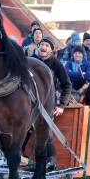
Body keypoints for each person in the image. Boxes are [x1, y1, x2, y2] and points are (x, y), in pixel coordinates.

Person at [32, 35, 72, 169]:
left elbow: (67, 84)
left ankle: (51, 161)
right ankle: (23, 159)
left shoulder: (55, 63)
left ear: (51, 50)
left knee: (45, 131)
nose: (43, 47)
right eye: (42, 44)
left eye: (47, 46)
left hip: (48, 102)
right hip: (30, 102)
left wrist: (62, 105)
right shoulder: (31, 60)